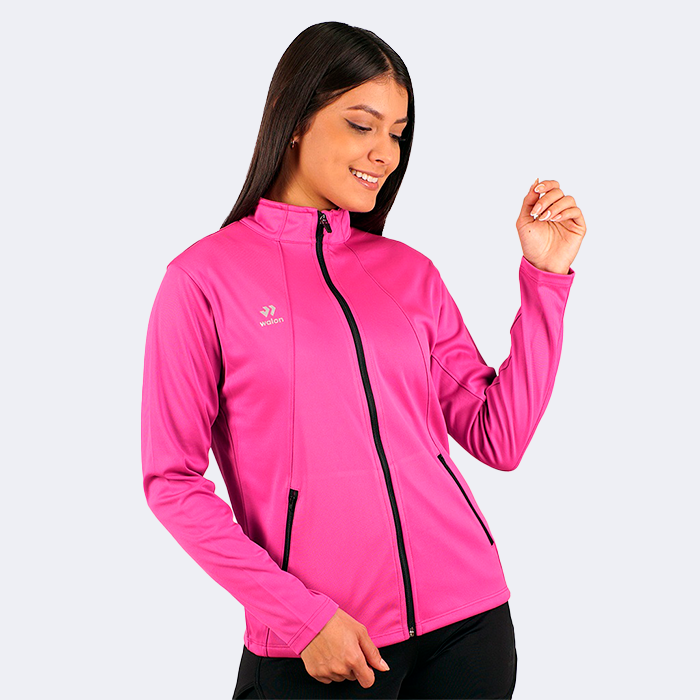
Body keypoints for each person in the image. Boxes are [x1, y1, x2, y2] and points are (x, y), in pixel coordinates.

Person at [140, 21, 586, 700]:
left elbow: (499, 437)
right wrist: (300, 617)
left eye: (398, 133)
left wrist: (545, 280)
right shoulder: (203, 281)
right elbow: (171, 481)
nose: (385, 152)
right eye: (361, 124)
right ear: (295, 121)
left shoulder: (408, 273)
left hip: (470, 625)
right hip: (325, 644)